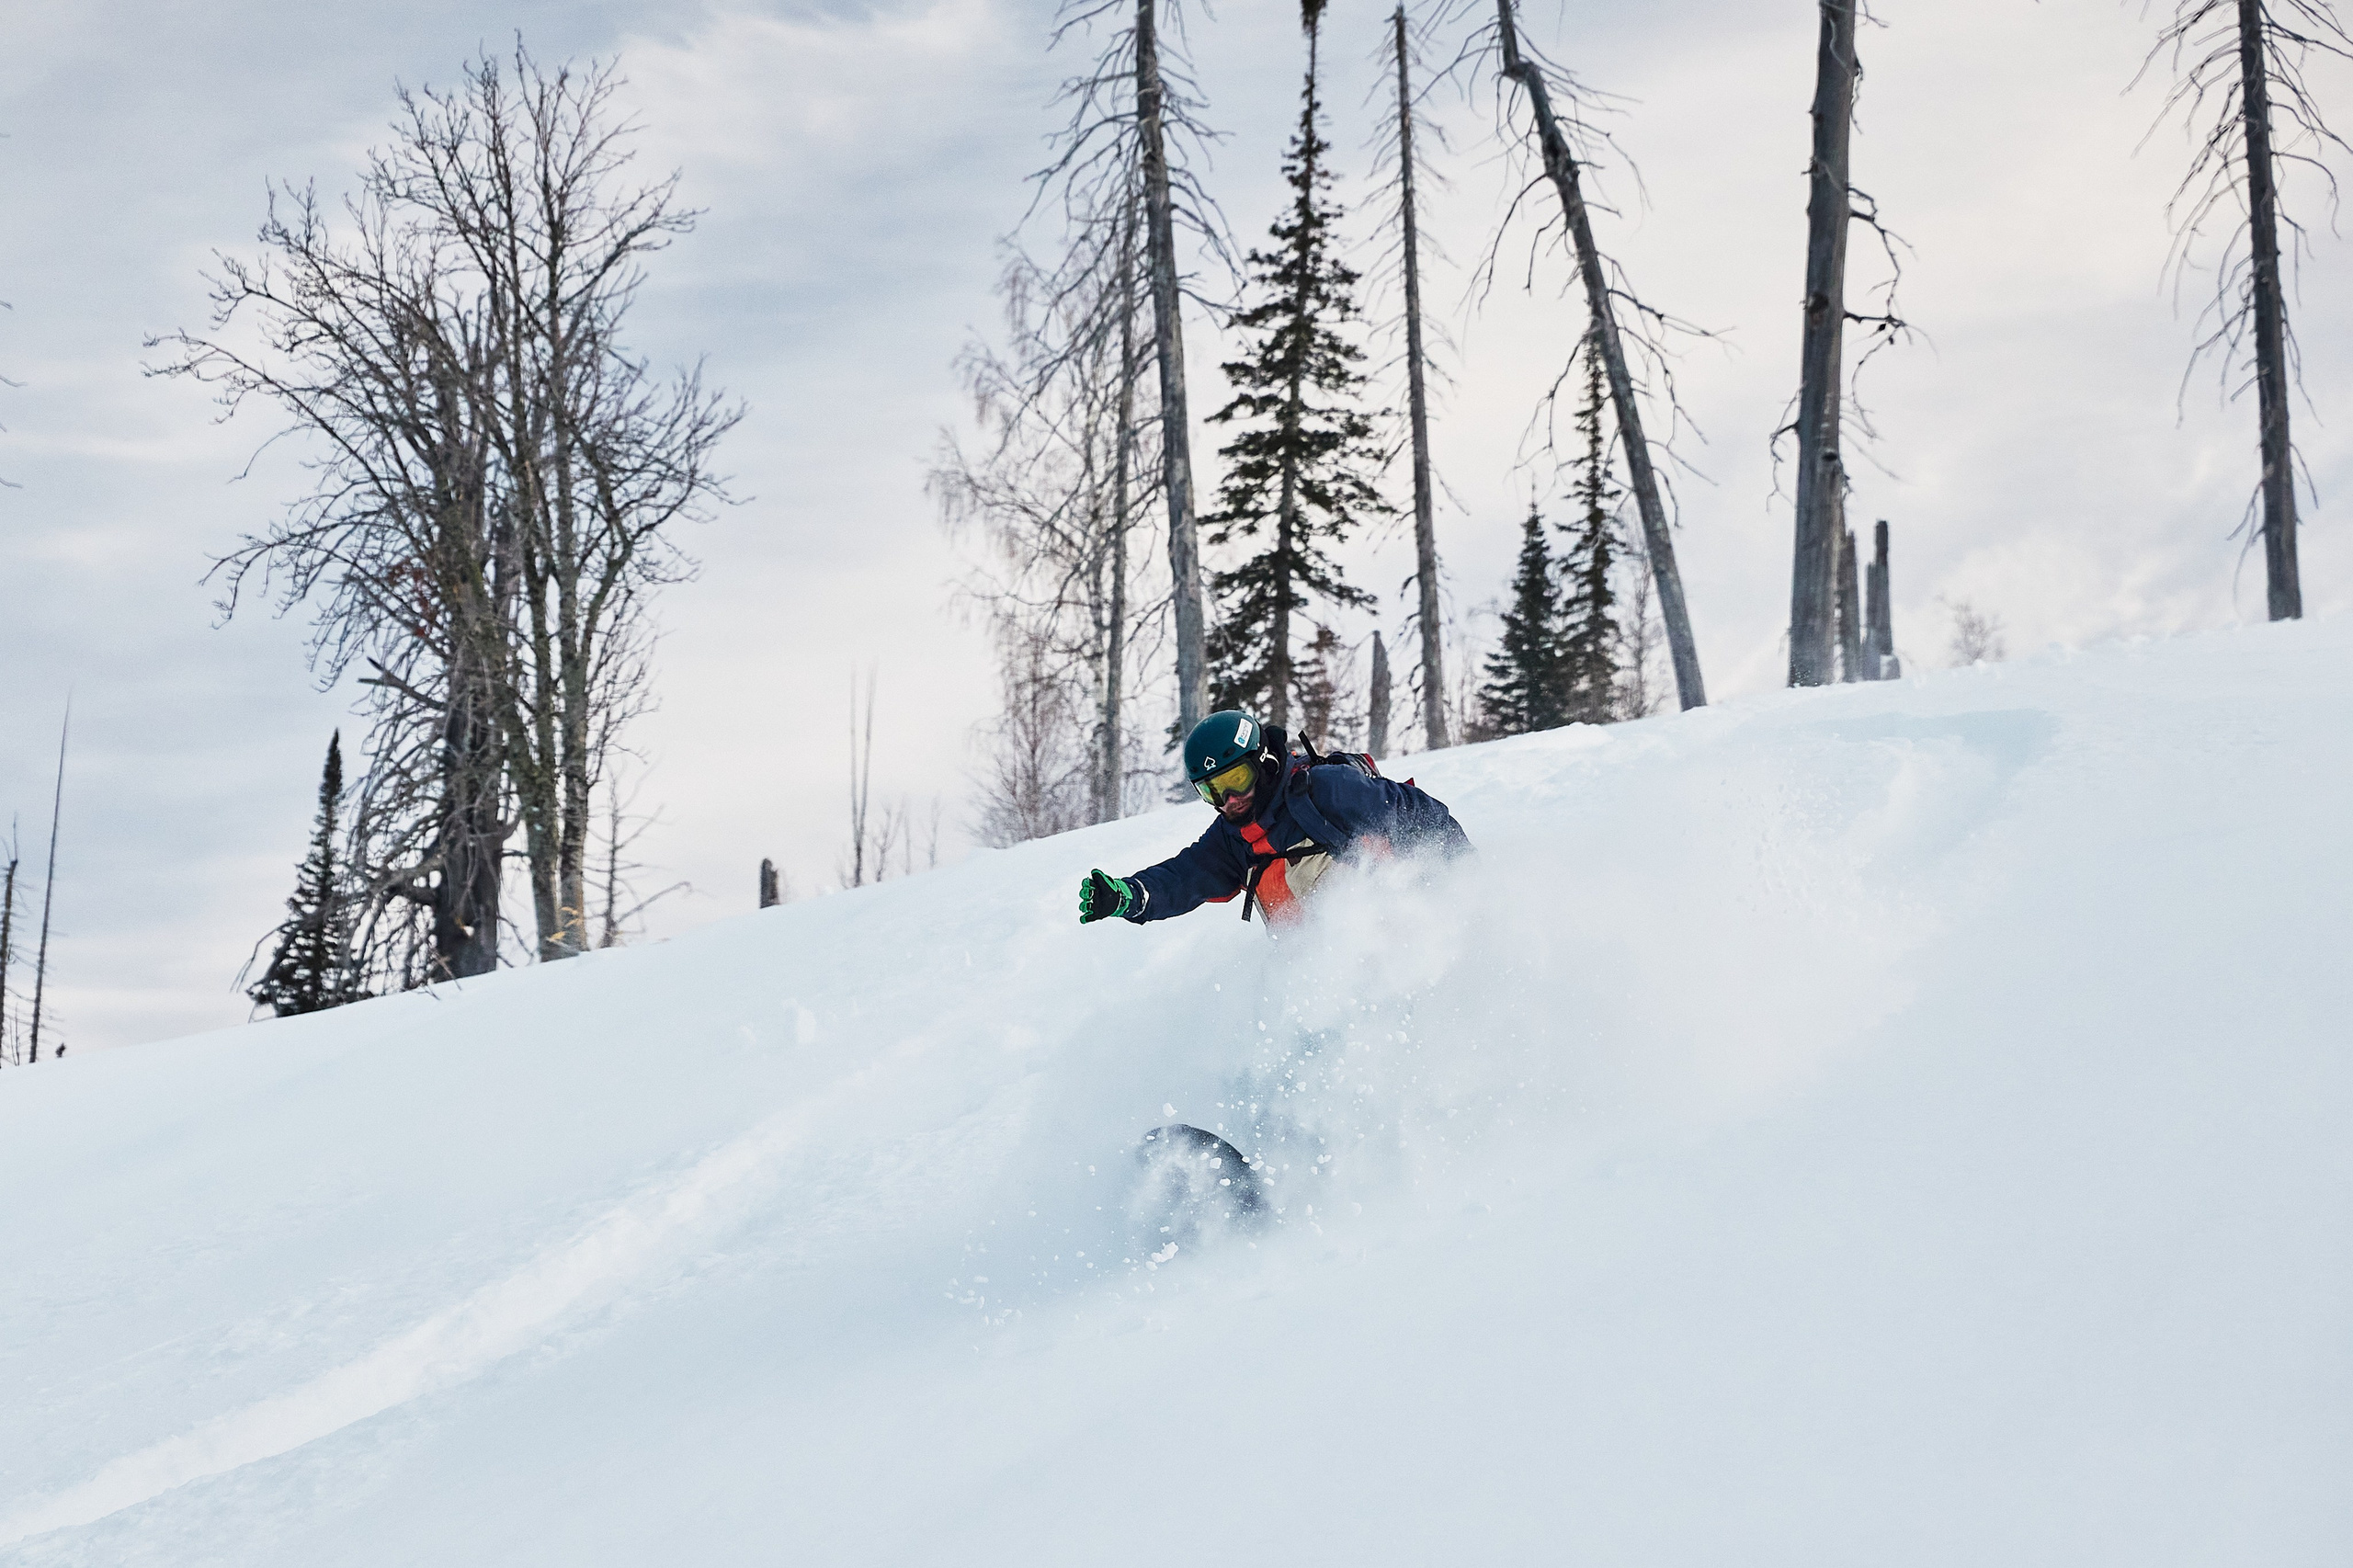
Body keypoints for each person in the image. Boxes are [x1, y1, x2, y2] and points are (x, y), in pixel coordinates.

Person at [1077, 709, 1472, 930]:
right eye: (1211, 791)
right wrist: (1129, 896)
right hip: (1316, 978)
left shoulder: (1329, 791)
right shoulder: (1236, 838)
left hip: (1399, 938)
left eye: (1236, 781)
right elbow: (1184, 877)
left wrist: (1468, 878)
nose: (1228, 801)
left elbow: (1420, 815)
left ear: (1262, 763)